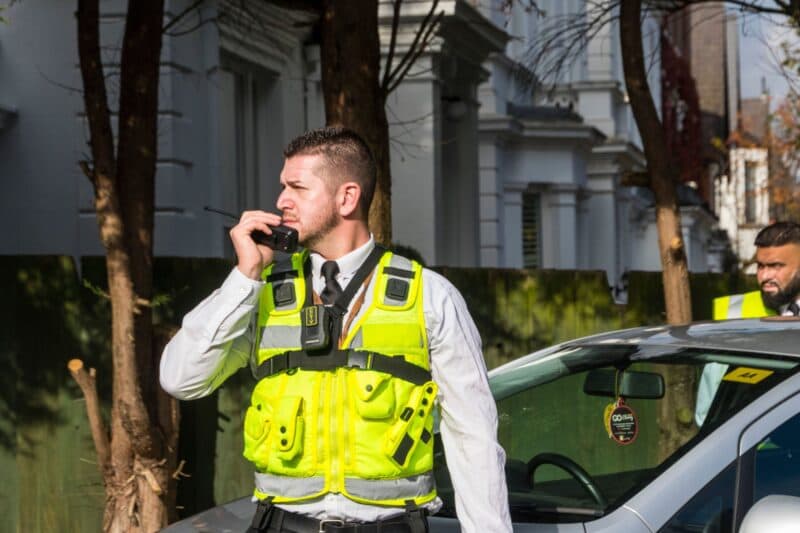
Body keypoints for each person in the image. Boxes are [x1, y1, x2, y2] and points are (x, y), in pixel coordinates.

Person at [160, 127, 512, 533]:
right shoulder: (259, 293)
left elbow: (473, 438)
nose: (281, 201)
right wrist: (245, 276)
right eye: (282, 186)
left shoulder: (430, 297)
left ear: (347, 198)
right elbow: (180, 379)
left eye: (297, 187)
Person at [696, 221, 800, 426]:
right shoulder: (734, 313)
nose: (765, 276)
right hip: (749, 441)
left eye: (776, 266)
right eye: (761, 266)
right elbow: (707, 409)